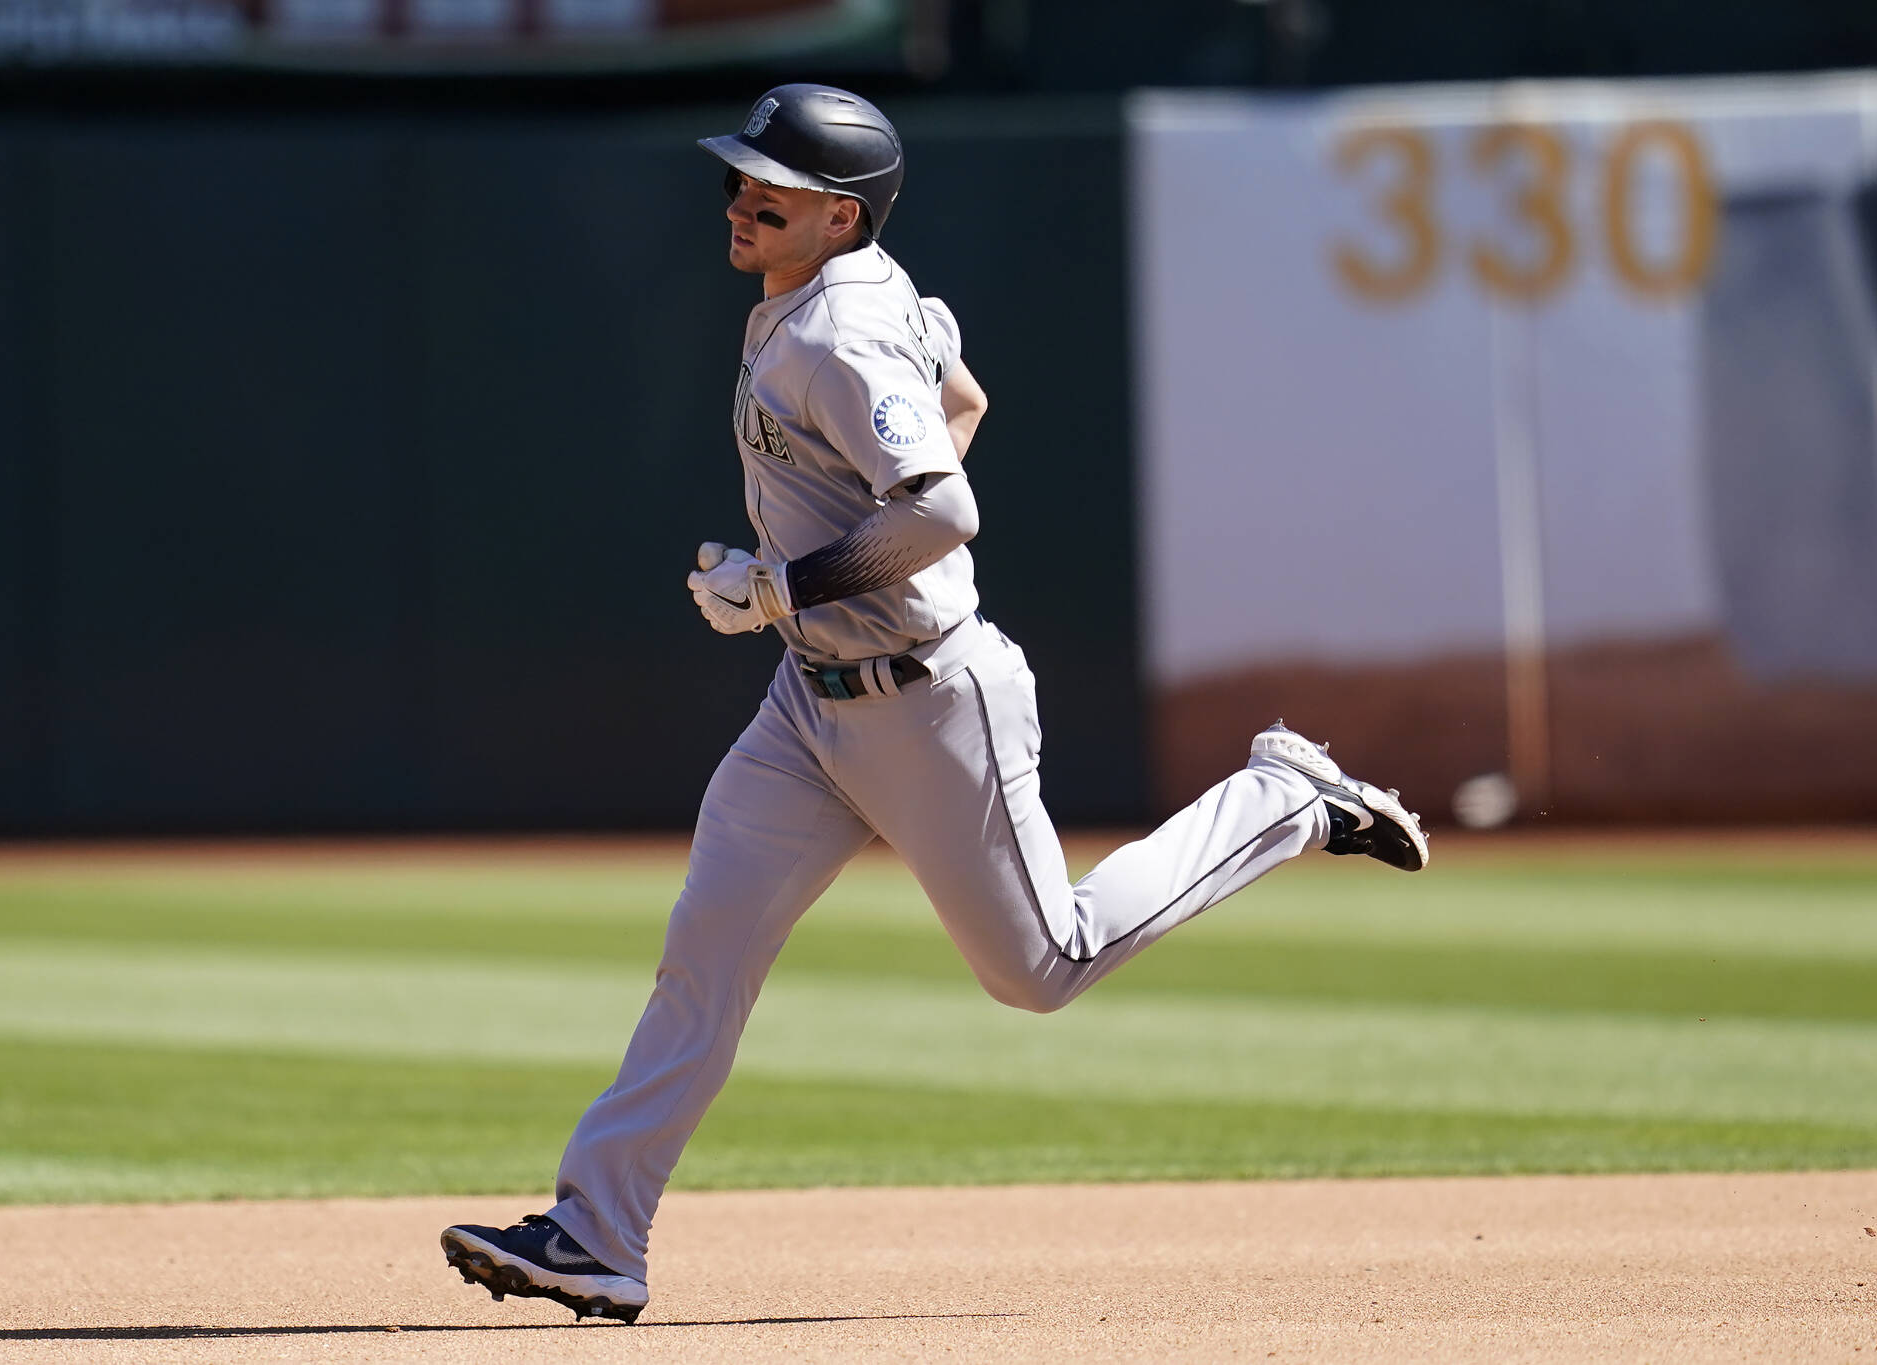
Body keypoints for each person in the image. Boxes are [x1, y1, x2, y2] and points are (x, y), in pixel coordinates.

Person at [441, 83, 1427, 1325]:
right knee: (704, 959)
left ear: (840, 218)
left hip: (926, 702)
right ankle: (595, 1232)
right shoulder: (841, 296)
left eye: (774, 187)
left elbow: (946, 506)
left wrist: (780, 588)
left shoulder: (837, 336)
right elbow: (959, 409)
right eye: (741, 174)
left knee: (1040, 970)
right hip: (806, 711)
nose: (741, 195)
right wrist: (794, 611)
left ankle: (1281, 801)